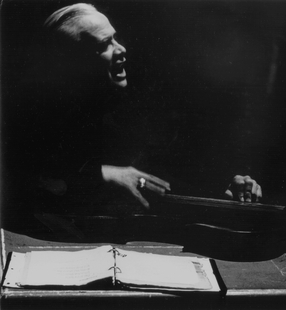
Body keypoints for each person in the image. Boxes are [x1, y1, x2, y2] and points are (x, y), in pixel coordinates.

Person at [4, 3, 262, 228]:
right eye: (104, 44)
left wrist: (228, 185)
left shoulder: (138, 109)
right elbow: (22, 182)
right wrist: (106, 173)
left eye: (115, 38)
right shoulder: (31, 116)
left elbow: (170, 171)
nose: (121, 49)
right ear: (70, 62)